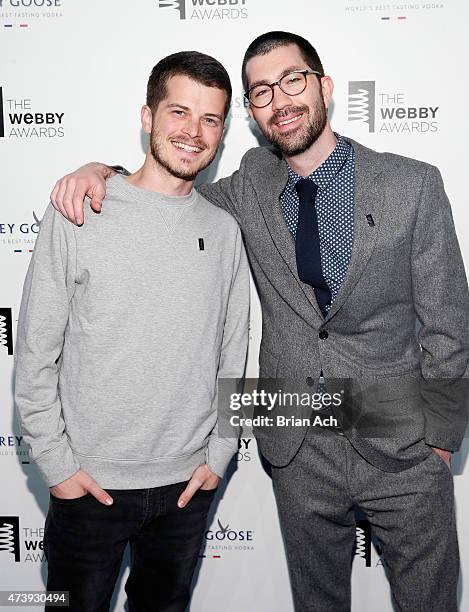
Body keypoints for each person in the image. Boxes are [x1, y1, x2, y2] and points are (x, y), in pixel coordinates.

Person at [49, 31, 469, 612]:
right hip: (296, 444)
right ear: (251, 113)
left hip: (402, 445)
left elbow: (449, 322)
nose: (281, 100)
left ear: (323, 86)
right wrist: (100, 170)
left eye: (293, 80)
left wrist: (441, 441)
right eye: (262, 92)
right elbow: (169, 189)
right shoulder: (248, 186)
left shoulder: (411, 183)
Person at [14, 51, 249, 612]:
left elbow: (233, 356)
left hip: (186, 491)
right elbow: (35, 354)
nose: (193, 133)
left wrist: (218, 457)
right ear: (147, 117)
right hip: (89, 486)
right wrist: (60, 468)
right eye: (179, 112)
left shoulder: (222, 231)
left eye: (210, 119)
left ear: (222, 132)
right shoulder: (80, 209)